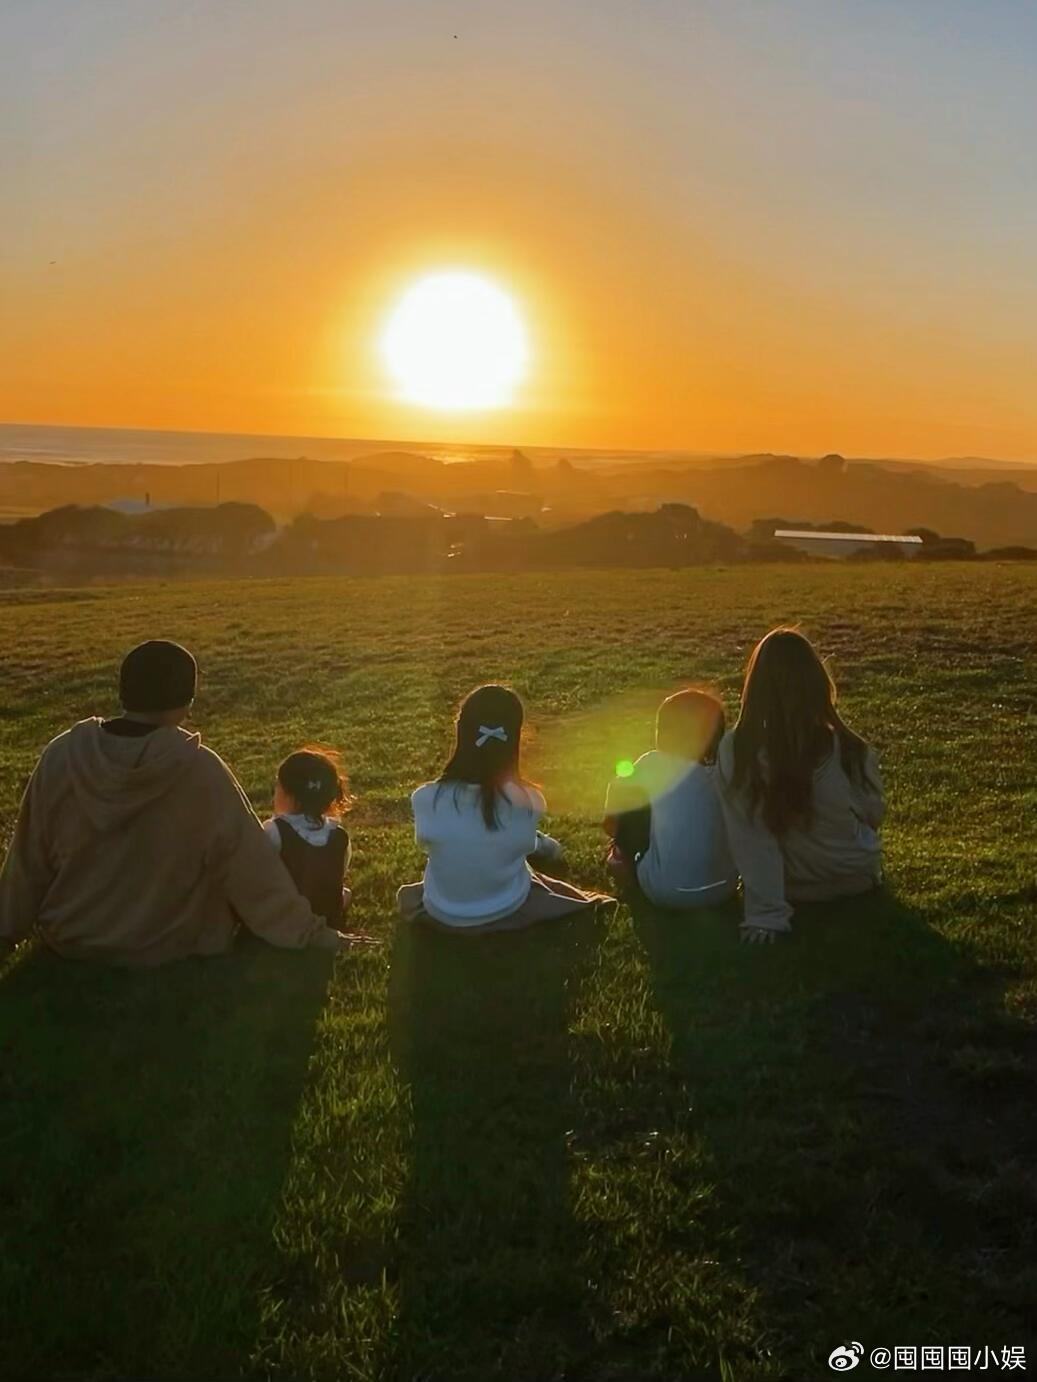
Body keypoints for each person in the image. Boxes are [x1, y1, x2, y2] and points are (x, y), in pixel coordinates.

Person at [0, 640, 370, 965]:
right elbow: (251, 871)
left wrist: (6, 930)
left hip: (73, 936)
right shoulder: (199, 770)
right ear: (186, 703)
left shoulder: (62, 755)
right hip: (170, 943)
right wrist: (315, 934)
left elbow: (27, 859)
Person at [397, 683, 611, 933]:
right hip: (504, 906)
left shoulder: (425, 798)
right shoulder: (529, 801)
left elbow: (426, 844)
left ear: (461, 733)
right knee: (537, 875)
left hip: (442, 910)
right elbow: (526, 848)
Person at [717, 628, 884, 943]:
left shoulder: (737, 751)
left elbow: (750, 839)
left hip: (795, 884)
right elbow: (874, 813)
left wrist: (765, 916)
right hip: (857, 875)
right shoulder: (850, 747)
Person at [603, 688, 738, 909]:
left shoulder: (653, 763)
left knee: (632, 802)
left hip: (667, 891)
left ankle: (624, 866)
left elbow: (612, 814)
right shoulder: (727, 770)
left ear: (665, 735)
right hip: (724, 888)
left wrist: (618, 838)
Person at [263, 748, 352, 924]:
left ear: (286, 793)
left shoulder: (274, 830)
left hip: (288, 916)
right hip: (327, 913)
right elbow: (338, 874)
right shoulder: (339, 835)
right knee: (346, 893)